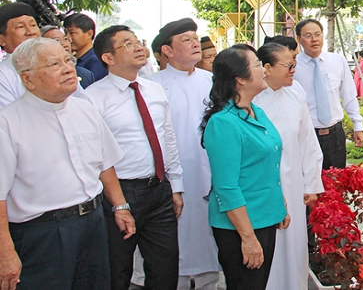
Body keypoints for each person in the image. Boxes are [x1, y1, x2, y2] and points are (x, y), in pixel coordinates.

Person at [0, 37, 135, 290]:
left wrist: (120, 206)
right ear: (27, 79)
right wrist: (5, 252)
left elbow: (104, 163)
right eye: (53, 64)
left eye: (68, 60)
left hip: (92, 222)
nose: (67, 68)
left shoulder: (85, 109)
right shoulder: (7, 123)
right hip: (42, 233)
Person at [84, 26, 184, 290]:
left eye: (137, 41)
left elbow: (167, 138)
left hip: (159, 189)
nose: (139, 47)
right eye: (128, 44)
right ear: (108, 57)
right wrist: (118, 204)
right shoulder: (92, 98)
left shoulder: (153, 90)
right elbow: (93, 156)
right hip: (120, 193)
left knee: (165, 268)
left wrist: (175, 186)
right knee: (117, 270)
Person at [201, 44, 290, 290]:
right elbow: (226, 187)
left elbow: (266, 162)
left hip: (264, 217)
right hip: (241, 227)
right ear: (240, 78)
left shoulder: (256, 111)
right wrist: (248, 238)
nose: (263, 69)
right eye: (257, 65)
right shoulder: (223, 123)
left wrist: (278, 204)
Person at [150, 18, 221, 290]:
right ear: (167, 50)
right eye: (186, 39)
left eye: (195, 37)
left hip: (209, 170)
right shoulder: (152, 86)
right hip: (172, 176)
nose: (195, 43)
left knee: (207, 232)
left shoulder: (213, 81)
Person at [254, 42, 324, 290]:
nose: (294, 69)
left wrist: (311, 184)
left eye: (295, 64)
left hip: (293, 185)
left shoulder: (295, 96)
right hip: (260, 188)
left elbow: (308, 144)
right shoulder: (251, 101)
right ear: (267, 68)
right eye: (288, 65)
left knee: (294, 244)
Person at [293, 19, 363, 170]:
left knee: (336, 182)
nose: (314, 39)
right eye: (308, 35)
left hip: (335, 134)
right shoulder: (293, 66)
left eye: (318, 34)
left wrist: (357, 125)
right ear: (299, 39)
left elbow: (349, 95)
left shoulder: (337, 61)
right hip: (306, 135)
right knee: (308, 185)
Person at [0, 3, 41, 109]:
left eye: (33, 25)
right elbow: (9, 117)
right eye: (20, 27)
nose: (30, 32)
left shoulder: (60, 64)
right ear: (2, 39)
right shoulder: (3, 75)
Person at [64, 13, 108, 81]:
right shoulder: (73, 59)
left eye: (72, 33)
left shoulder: (96, 61)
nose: (67, 37)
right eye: (65, 33)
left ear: (89, 34)